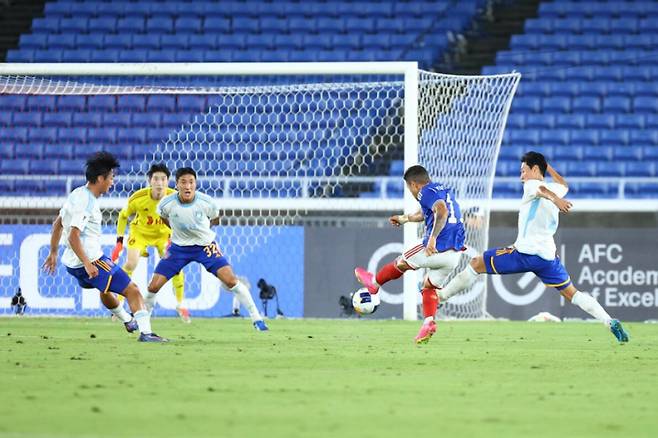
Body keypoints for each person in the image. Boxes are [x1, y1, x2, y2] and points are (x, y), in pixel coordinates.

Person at [437, 151, 629, 343]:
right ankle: (609, 321)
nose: (521, 176)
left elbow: (542, 191)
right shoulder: (554, 188)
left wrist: (556, 199)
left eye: (523, 170)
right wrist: (549, 173)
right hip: (547, 258)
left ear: (535, 169)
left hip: (524, 253)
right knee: (573, 294)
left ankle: (442, 297)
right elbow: (564, 185)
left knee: (476, 263)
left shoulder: (532, 185)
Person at [42, 152, 167, 342]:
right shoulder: (86, 202)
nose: (112, 182)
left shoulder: (77, 193)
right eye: (111, 177)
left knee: (105, 289)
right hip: (91, 261)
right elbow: (74, 235)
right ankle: (146, 333)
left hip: (71, 264)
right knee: (132, 290)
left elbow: (58, 223)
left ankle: (127, 320)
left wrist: (53, 252)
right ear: (100, 178)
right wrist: (88, 263)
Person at [144, 167, 269, 331]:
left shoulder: (206, 202)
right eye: (183, 182)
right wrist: (179, 233)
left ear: (195, 184)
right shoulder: (166, 204)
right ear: (177, 185)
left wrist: (203, 232)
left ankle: (257, 319)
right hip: (178, 248)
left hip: (205, 246)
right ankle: (144, 327)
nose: (187, 186)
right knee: (153, 286)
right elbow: (164, 218)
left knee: (231, 280)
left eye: (191, 182)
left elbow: (215, 218)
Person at [355, 165, 466, 344]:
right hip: (454, 255)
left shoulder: (425, 192)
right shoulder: (442, 190)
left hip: (437, 246)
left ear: (414, 185)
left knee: (401, 262)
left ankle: (374, 284)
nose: (411, 192)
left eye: (409, 188)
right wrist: (404, 218)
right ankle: (428, 323)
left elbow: (442, 211)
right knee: (429, 287)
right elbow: (426, 213)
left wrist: (432, 238)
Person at [111, 163, 190, 323]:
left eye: (163, 179)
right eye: (156, 179)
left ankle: (180, 304)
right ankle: (119, 302)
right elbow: (123, 216)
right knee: (130, 264)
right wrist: (119, 241)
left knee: (175, 266)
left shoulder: (175, 198)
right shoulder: (138, 198)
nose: (159, 183)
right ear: (150, 181)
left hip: (163, 235)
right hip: (140, 234)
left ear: (168, 181)